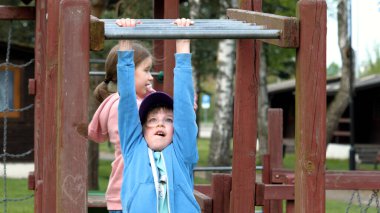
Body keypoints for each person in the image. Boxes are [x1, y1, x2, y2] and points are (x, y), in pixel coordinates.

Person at [117, 18, 200, 212]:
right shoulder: (133, 148)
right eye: (152, 120)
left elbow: (185, 108)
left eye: (168, 120)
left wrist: (183, 42)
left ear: (176, 128)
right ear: (142, 129)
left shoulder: (182, 152)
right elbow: (127, 100)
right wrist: (125, 40)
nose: (160, 125)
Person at [88, 41, 155, 213]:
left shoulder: (135, 103)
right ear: (126, 74)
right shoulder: (121, 106)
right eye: (146, 70)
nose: (151, 77)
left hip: (136, 193)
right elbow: (154, 121)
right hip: (128, 196)